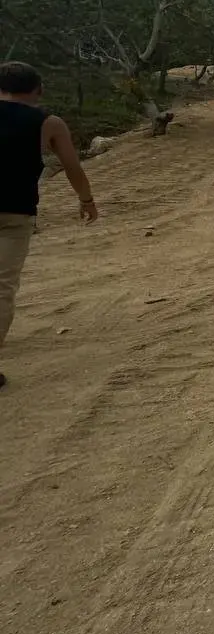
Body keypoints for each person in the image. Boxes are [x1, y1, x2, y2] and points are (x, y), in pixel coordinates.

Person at [0, 61, 98, 389]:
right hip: (16, 212)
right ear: (39, 89)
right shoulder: (49, 123)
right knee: (2, 287)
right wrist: (86, 200)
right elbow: (71, 165)